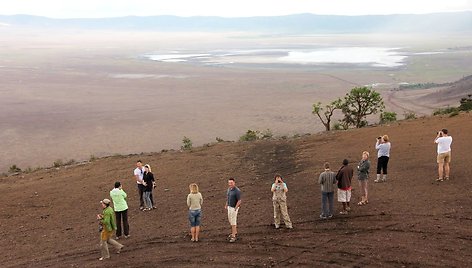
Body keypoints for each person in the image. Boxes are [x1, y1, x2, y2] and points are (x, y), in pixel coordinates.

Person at [225, 178, 241, 243]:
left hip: (234, 208)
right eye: (229, 183)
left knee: (233, 221)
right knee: (230, 220)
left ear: (234, 183)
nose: (230, 184)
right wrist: (226, 204)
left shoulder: (237, 191)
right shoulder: (229, 189)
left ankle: (233, 235)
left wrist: (235, 208)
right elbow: (228, 197)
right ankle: (235, 232)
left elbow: (239, 200)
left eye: (231, 183)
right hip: (229, 207)